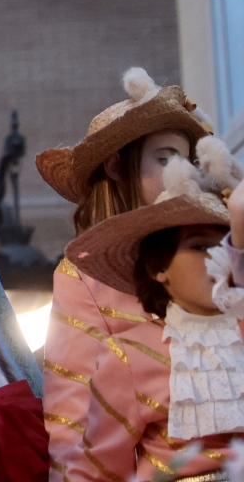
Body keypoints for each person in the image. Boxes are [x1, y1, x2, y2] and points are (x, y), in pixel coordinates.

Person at [35, 68, 210, 481]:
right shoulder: (82, 277)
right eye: (165, 159)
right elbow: (72, 418)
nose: (181, 174)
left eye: (187, 160)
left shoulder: (216, 250)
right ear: (117, 166)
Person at [62, 136, 244, 481]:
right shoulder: (128, 356)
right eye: (199, 246)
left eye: (225, 245)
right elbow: (100, 468)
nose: (217, 257)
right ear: (158, 268)